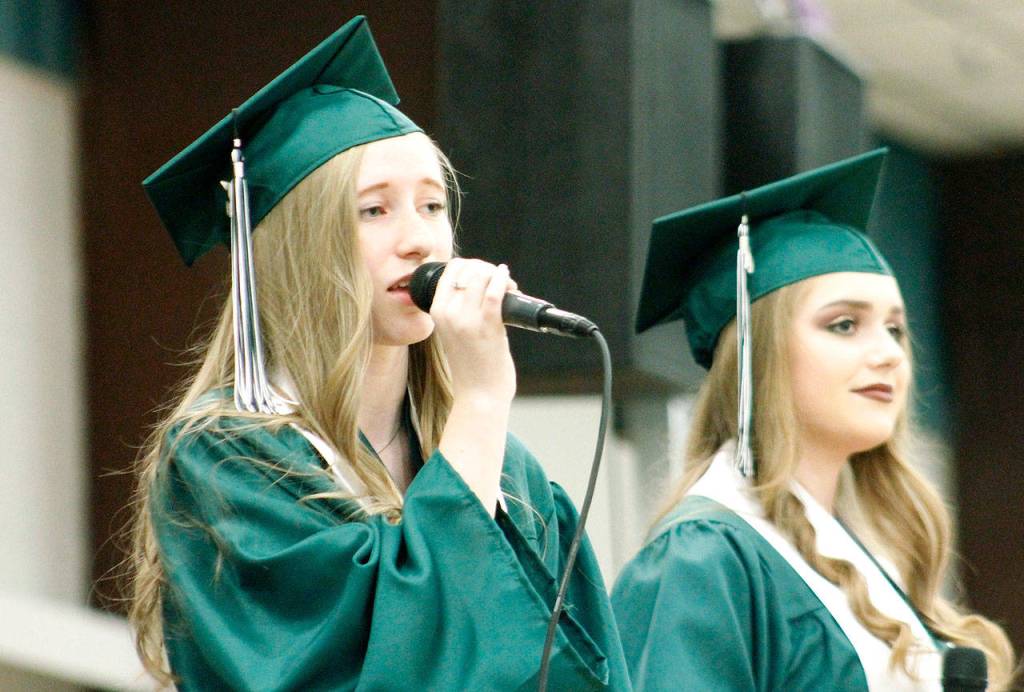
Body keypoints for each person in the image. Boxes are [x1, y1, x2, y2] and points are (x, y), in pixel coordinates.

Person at [128, 16, 628, 690]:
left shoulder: (512, 477)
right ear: (303, 244)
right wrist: (480, 400)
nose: (421, 241)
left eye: (432, 206)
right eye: (375, 211)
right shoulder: (229, 457)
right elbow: (386, 665)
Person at [611, 150, 1017, 690]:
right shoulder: (704, 558)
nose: (889, 355)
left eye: (895, 330)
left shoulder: (870, 558)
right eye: (845, 324)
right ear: (757, 356)